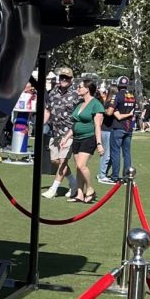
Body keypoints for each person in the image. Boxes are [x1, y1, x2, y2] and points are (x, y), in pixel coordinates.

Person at [42, 66, 78, 199]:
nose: (63, 80)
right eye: (62, 77)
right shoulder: (53, 92)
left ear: (71, 79)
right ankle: (74, 183)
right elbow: (48, 110)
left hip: (69, 132)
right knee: (55, 160)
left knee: (63, 160)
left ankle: (54, 188)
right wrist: (42, 124)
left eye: (66, 78)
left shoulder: (76, 94)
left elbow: (79, 113)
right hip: (55, 132)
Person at [69, 79, 105, 203]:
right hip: (77, 138)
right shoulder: (80, 103)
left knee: (81, 165)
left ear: (87, 89)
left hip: (89, 138)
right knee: (77, 167)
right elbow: (75, 124)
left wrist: (99, 144)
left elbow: (98, 126)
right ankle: (79, 194)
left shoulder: (96, 104)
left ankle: (90, 190)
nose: (78, 89)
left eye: (80, 87)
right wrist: (66, 137)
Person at [108, 75, 138, 182]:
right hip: (128, 127)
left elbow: (110, 111)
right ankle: (127, 176)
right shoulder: (132, 97)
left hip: (118, 126)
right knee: (127, 153)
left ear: (118, 84)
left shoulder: (116, 96)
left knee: (115, 153)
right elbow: (133, 112)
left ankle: (115, 176)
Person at [96, 84, 118, 184]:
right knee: (106, 154)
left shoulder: (108, 102)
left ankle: (103, 173)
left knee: (110, 155)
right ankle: (102, 174)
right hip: (106, 130)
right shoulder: (109, 103)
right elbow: (109, 113)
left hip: (108, 130)